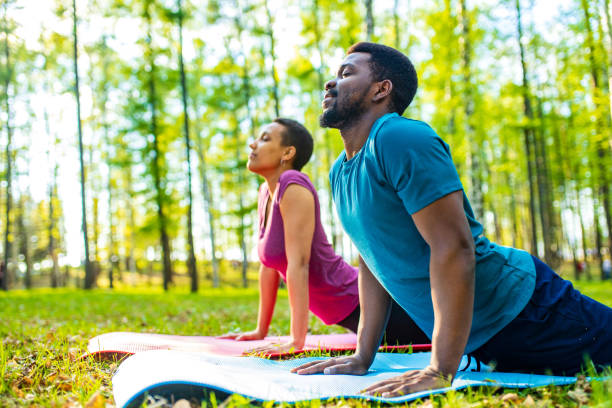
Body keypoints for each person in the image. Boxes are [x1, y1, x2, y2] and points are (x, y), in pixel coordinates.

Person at [293, 42, 612, 396]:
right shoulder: (340, 171)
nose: (331, 83)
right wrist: (362, 355)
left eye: (347, 73)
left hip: (530, 310)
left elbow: (454, 247)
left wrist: (440, 369)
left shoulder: (398, 137)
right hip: (489, 343)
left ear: (381, 89)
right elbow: (373, 260)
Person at [219, 118, 429, 353]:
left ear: (288, 153)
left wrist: (296, 341)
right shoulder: (266, 193)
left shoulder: (292, 184)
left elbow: (299, 264)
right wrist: (260, 331)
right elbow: (269, 266)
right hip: (353, 310)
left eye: (265, 139)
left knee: (444, 336)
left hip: (369, 304)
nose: (253, 145)